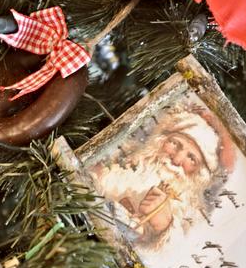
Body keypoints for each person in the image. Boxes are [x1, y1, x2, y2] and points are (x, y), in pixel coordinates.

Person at [89, 106, 234, 249]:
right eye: (175, 144)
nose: (177, 160)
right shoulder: (126, 156)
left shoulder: (190, 212)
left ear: (199, 173)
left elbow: (177, 250)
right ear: (162, 140)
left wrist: (162, 225)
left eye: (191, 158)